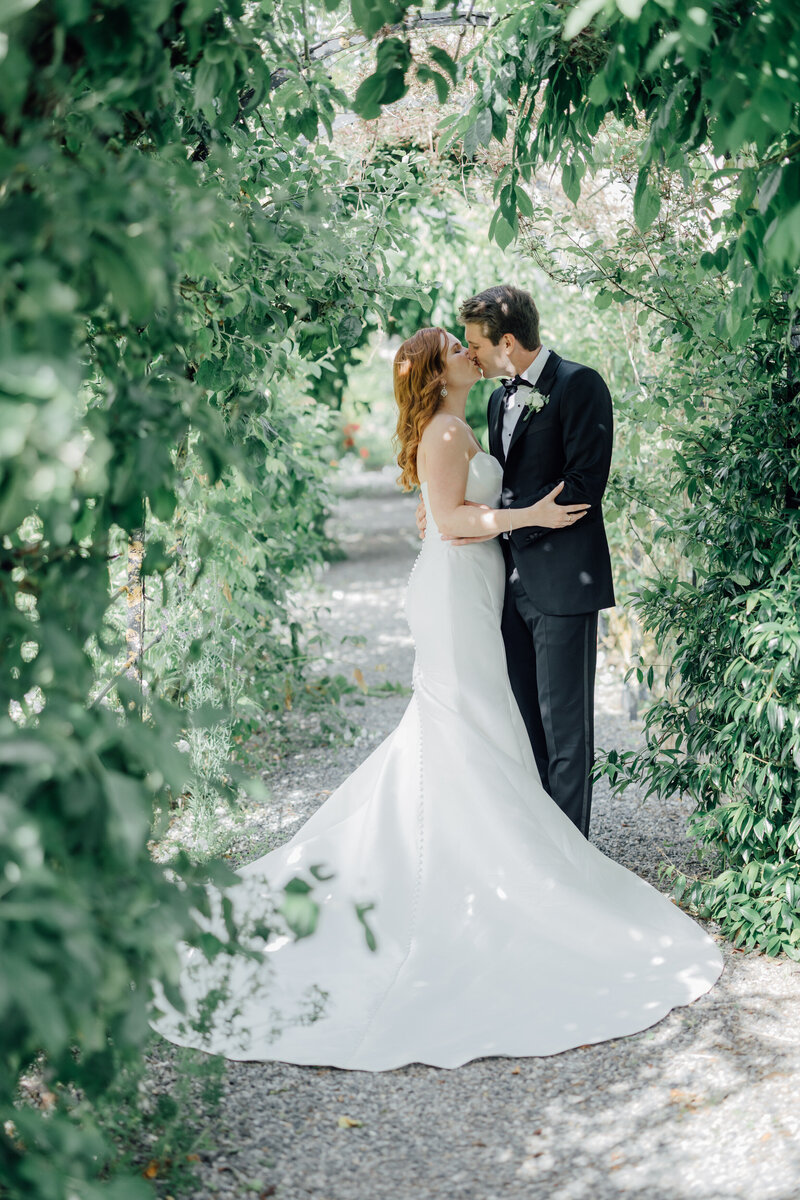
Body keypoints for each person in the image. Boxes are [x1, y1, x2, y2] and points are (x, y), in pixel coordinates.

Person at [149, 327, 722, 1072]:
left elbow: (448, 507)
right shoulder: (446, 429)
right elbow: (453, 520)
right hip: (454, 592)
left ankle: (489, 852)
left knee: (478, 721)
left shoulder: (459, 424)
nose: (468, 352)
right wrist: (532, 517)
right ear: (436, 371)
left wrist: (496, 516)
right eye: (455, 347)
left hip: (474, 587)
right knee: (466, 719)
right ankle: (465, 863)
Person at [418, 285, 613, 838]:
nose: (470, 355)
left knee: (566, 732)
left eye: (475, 344)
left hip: (562, 583)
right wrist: (440, 507)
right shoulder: (497, 399)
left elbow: (582, 486)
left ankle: (573, 854)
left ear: (506, 341)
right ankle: (543, 845)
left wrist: (516, 518)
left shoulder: (580, 385)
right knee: (526, 727)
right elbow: (493, 485)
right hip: (504, 585)